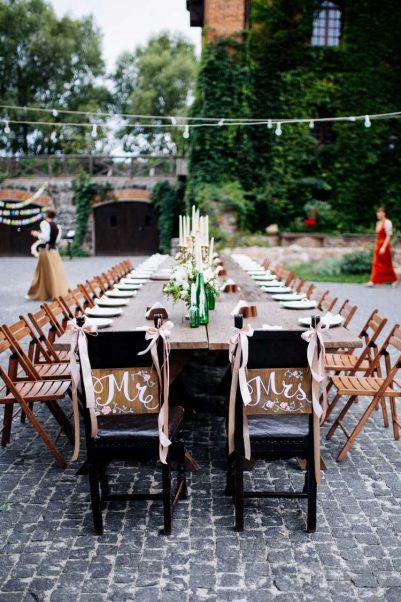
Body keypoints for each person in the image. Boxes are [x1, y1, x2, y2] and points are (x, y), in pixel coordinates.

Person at [26, 208, 70, 300]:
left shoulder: (44, 223)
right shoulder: (57, 226)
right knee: (55, 272)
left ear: (46, 215)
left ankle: (42, 293)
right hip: (54, 251)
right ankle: (55, 292)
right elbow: (57, 239)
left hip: (46, 251)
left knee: (43, 273)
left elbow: (46, 237)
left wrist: (37, 234)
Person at [365, 207, 398, 287]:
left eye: (379, 212)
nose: (377, 214)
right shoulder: (378, 223)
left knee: (387, 264)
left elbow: (388, 236)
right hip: (378, 245)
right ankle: (373, 281)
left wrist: (383, 247)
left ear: (383, 213)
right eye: (377, 212)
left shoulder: (387, 222)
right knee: (376, 263)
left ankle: (394, 279)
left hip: (385, 245)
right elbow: (378, 236)